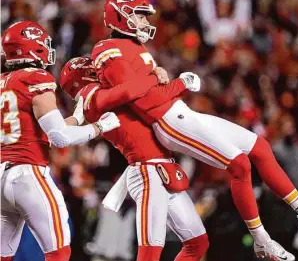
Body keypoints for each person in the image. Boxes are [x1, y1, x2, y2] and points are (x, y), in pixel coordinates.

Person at [92, 0, 298, 261]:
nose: (145, 22)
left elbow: (145, 90)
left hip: (180, 113)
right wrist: (179, 83)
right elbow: (144, 103)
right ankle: (261, 239)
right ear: (120, 16)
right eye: (138, 15)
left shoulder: (133, 47)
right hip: (169, 122)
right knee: (240, 164)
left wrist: (162, 80)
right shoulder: (108, 50)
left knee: (260, 147)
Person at [59, 56, 209, 261]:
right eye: (95, 70)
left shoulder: (92, 100)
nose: (102, 72)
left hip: (161, 168)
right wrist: (173, 81)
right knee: (149, 252)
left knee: (197, 243)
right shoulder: (96, 97)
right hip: (147, 171)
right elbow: (134, 92)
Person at [0, 21, 120, 261]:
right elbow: (60, 138)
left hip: (2, 176)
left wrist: (77, 117)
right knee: (59, 252)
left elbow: (46, 129)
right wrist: (100, 127)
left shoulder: (4, 81)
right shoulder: (35, 78)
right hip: (28, 174)